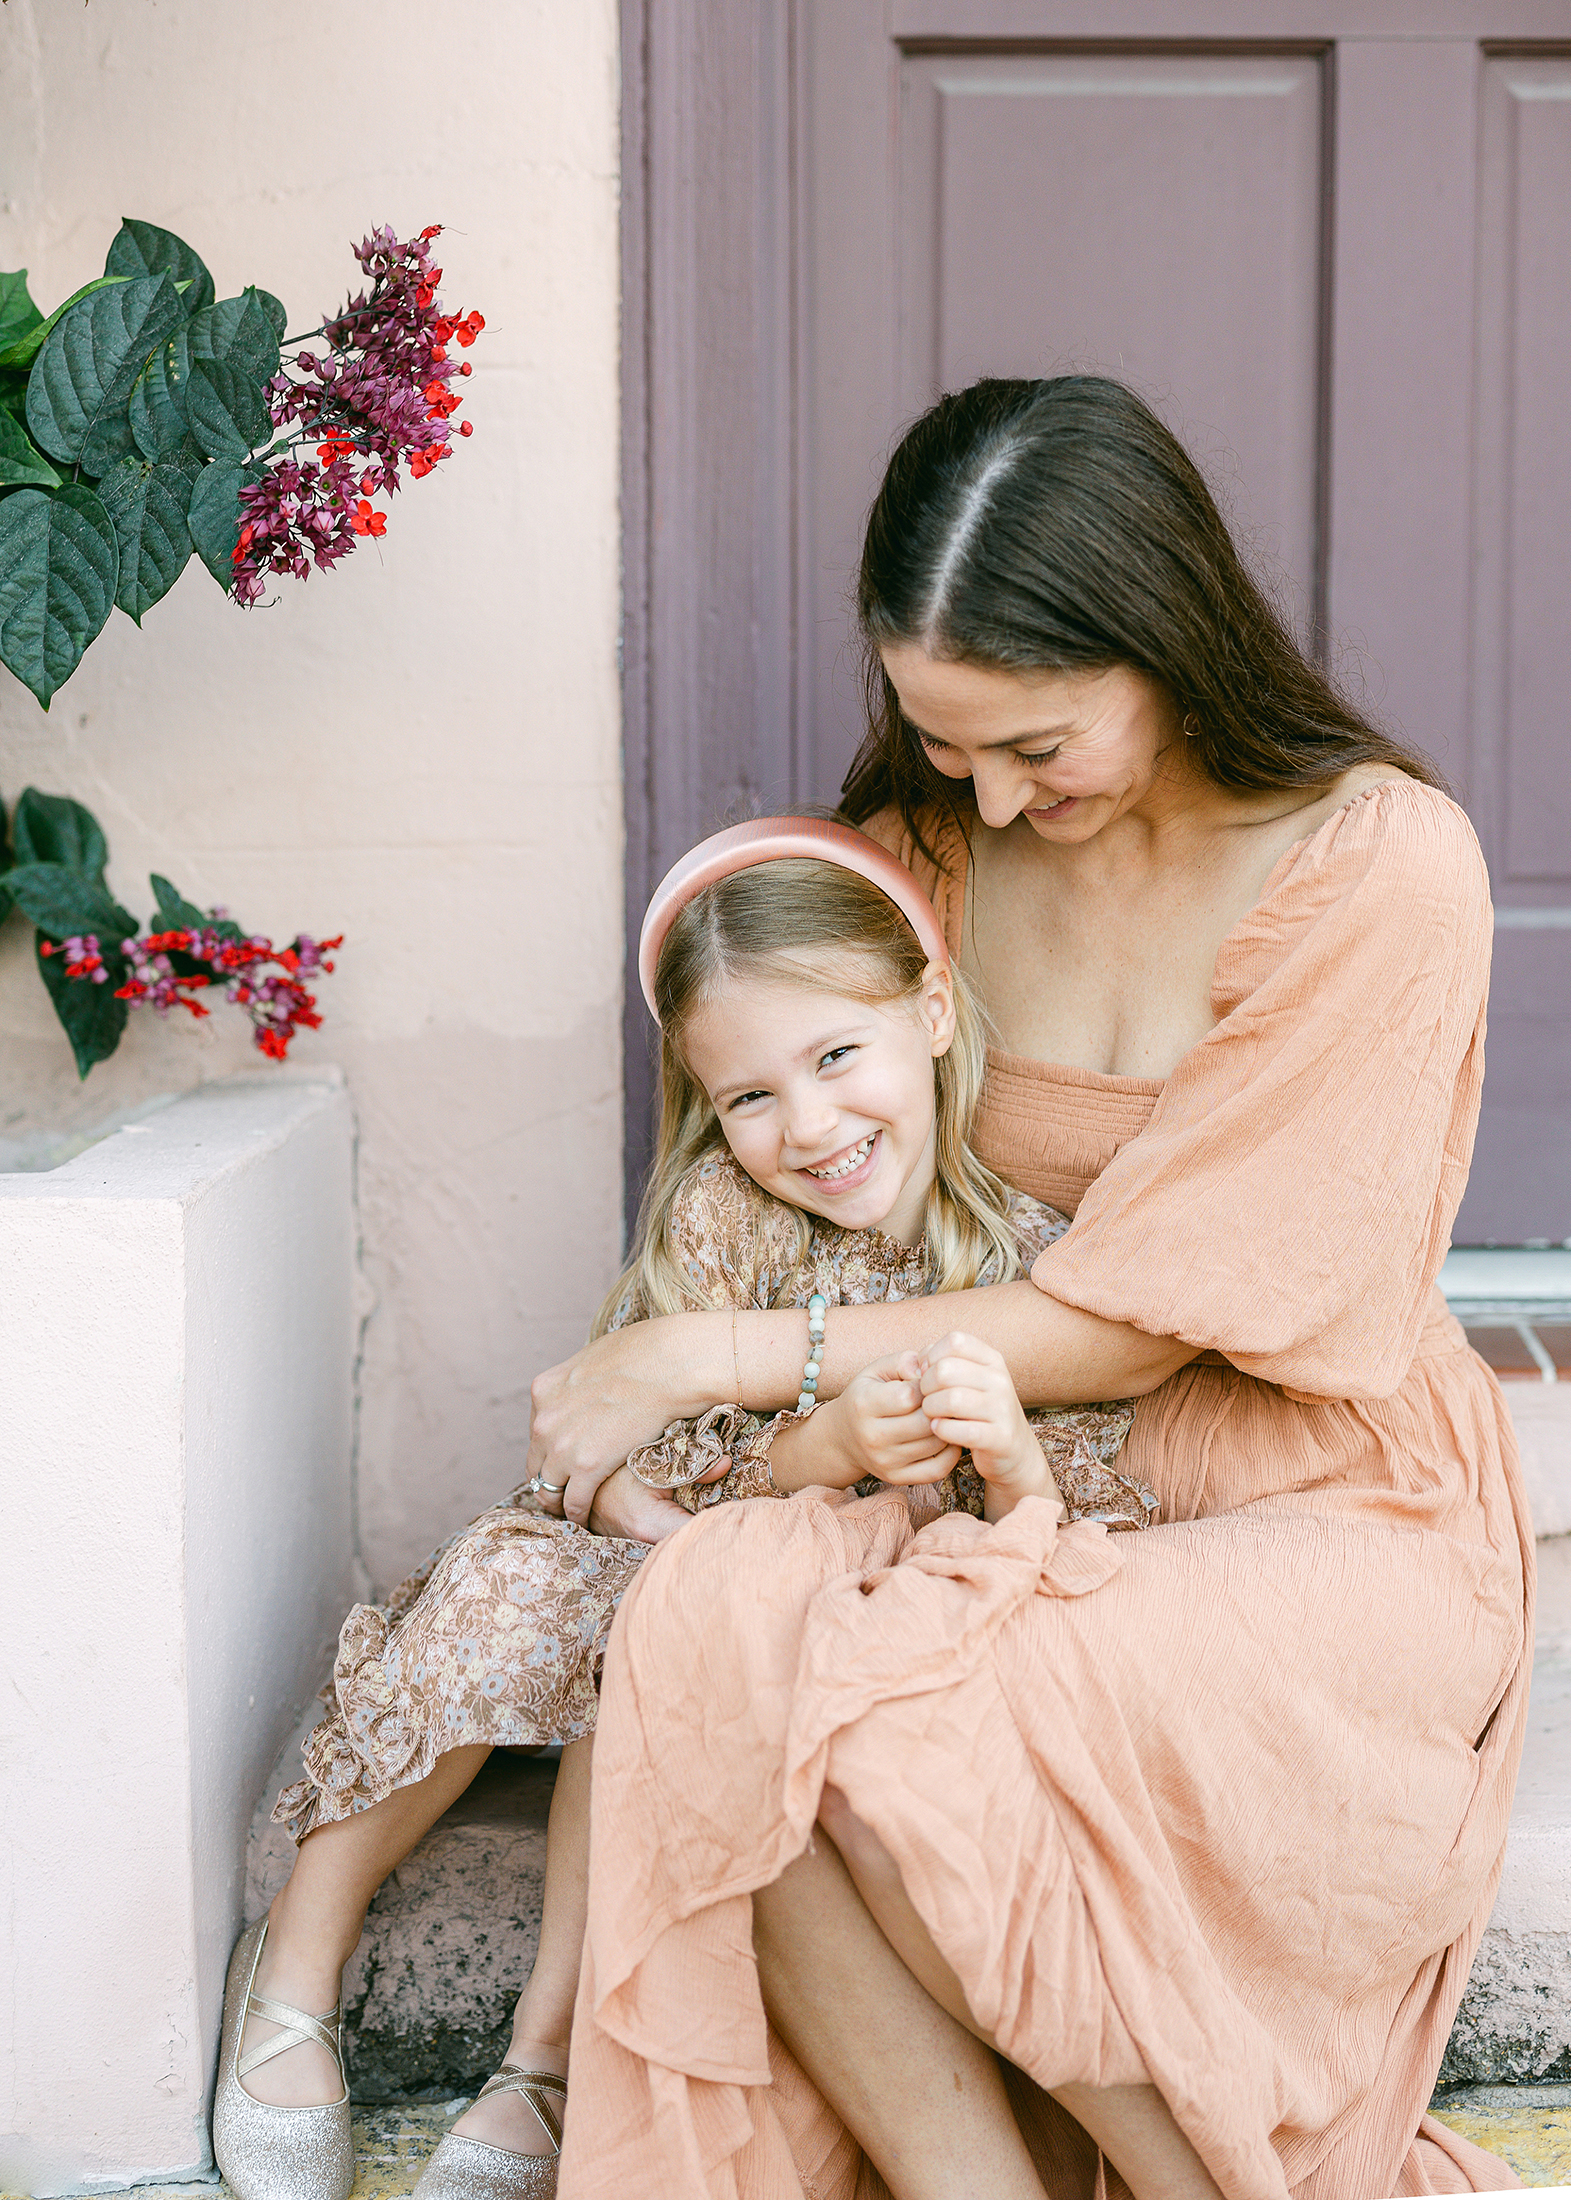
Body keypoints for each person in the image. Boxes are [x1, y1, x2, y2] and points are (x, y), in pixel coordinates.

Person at [525, 377, 1536, 2200]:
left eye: (1036, 745)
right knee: (722, 1641)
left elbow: (1156, 1312)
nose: (986, 796)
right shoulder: (923, 851)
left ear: (1162, 641)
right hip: (981, 1462)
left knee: (897, 1703)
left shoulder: (1381, 866)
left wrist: (709, 1357)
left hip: (1312, 1486)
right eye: (943, 741)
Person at [210, 817, 1154, 2200]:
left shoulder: (1013, 1256)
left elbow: (1064, 1517)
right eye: (752, 1096)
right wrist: (811, 1449)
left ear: (933, 1009)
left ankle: (546, 2053)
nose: (811, 1127)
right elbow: (639, 1482)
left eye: (836, 1057)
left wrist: (995, 1454)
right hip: (674, 1551)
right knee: (528, 1585)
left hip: (830, 1623)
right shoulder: (724, 1215)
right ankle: (298, 1957)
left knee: (683, 1641)